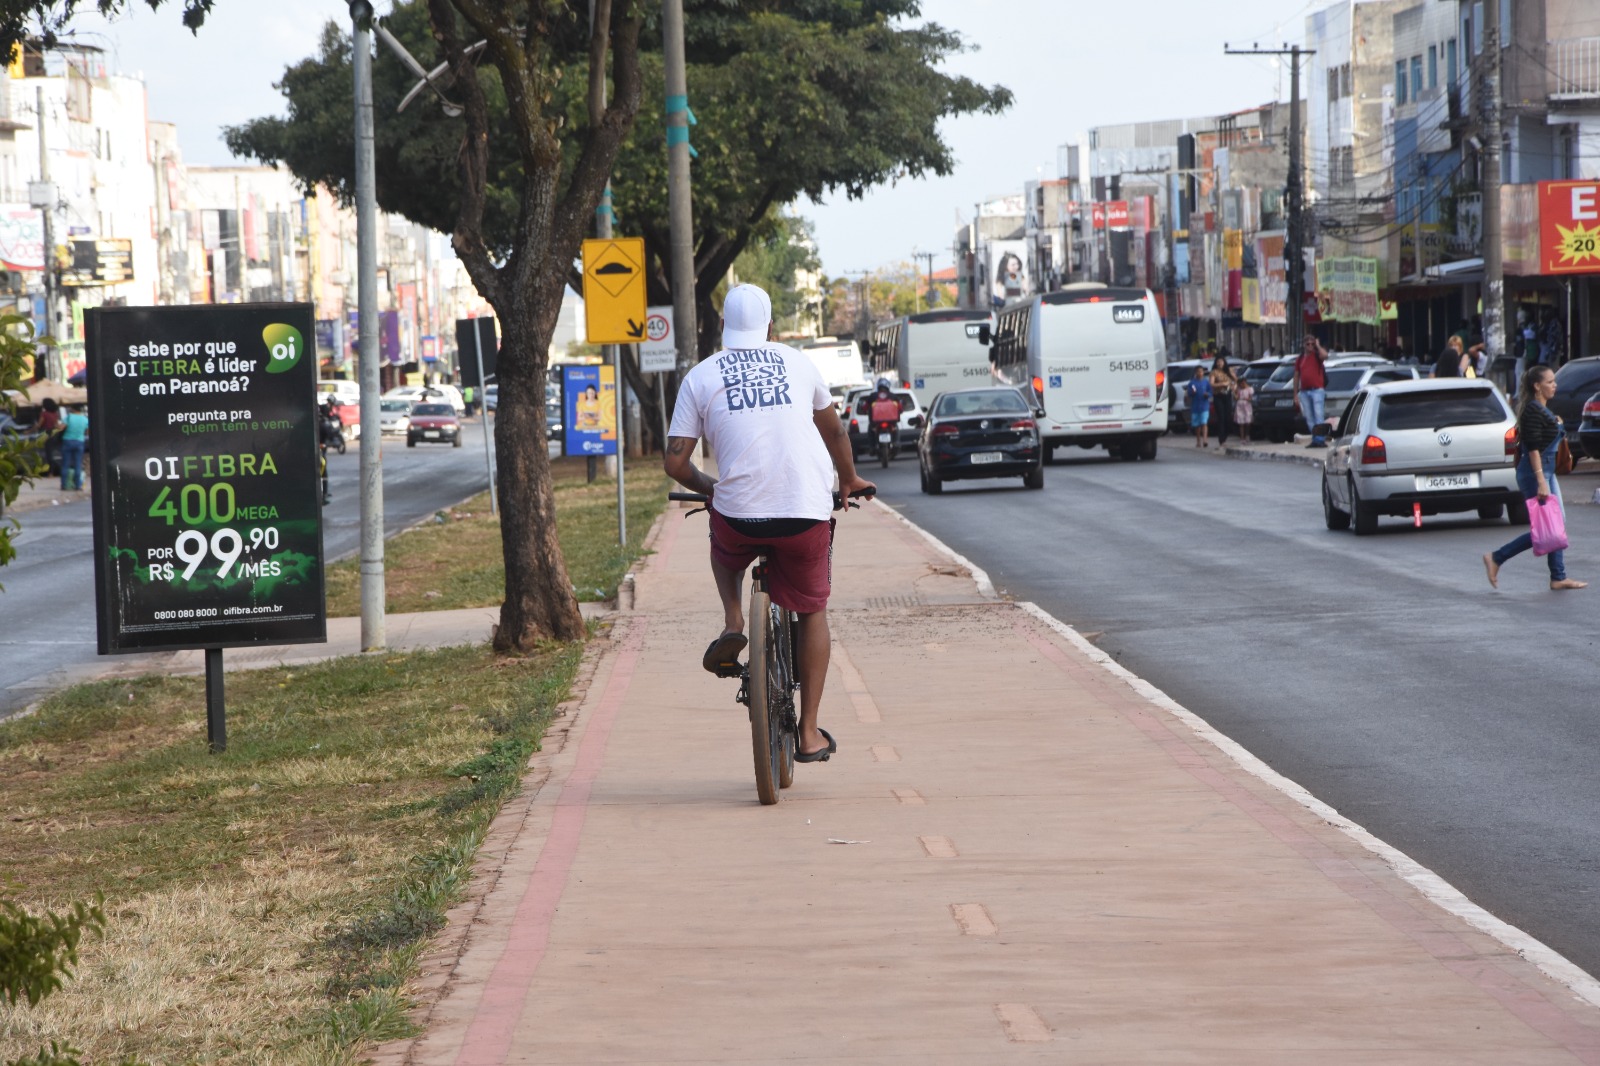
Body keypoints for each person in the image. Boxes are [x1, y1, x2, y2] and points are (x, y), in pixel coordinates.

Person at [664, 283, 875, 764]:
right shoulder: (799, 362)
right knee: (812, 609)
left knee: (725, 547)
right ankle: (808, 734)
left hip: (739, 516)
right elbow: (835, 430)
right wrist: (850, 479)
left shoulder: (700, 376)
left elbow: (675, 465)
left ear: (722, 328)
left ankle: (734, 619)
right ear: (771, 328)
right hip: (804, 513)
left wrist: (712, 488)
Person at [1484, 365, 1587, 592]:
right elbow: (1533, 450)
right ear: (1537, 386)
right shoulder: (1532, 410)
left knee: (1555, 523)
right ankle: (1497, 558)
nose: (1555, 385)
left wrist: (1556, 422)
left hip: (1545, 471)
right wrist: (1541, 481)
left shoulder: (1541, 409)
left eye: (1554, 381)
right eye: (1550, 382)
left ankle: (1558, 577)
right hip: (1535, 473)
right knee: (1546, 527)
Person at [1293, 335, 1329, 447]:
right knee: (1309, 418)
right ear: (1303, 344)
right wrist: (1295, 394)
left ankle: (1320, 440)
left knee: (1319, 415)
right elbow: (1296, 376)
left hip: (1317, 390)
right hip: (1304, 391)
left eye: (1312, 343)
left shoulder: (1317, 355)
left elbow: (1325, 355)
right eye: (1307, 344)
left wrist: (1317, 345)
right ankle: (1315, 438)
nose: (1310, 346)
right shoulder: (1300, 359)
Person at [1208, 354, 1237, 445]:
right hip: (1218, 395)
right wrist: (1222, 384)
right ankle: (1221, 439)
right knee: (1221, 417)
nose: (1219, 364)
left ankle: (1226, 435)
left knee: (1228, 417)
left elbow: (1236, 380)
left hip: (1227, 395)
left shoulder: (1228, 371)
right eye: (1218, 362)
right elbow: (1211, 384)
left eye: (1221, 362)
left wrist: (1234, 386)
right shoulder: (1214, 372)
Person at [59, 403, 88, 491]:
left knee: (65, 464)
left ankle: (64, 485)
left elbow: (61, 428)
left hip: (67, 440)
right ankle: (78, 485)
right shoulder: (85, 419)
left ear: (73, 409)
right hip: (79, 441)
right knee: (78, 464)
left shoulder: (69, 417)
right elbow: (87, 432)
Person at [1184, 365, 1212, 448]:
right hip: (1195, 407)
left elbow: (1210, 392)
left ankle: (1205, 440)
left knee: (1204, 422)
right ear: (1195, 373)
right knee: (1197, 425)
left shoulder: (1206, 382)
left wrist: (1208, 394)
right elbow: (1189, 393)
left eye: (1201, 371)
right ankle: (1198, 441)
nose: (1200, 373)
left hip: (1204, 406)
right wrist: (1192, 392)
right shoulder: (1192, 383)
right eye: (1198, 371)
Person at [1234, 372, 1255, 443]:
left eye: (1243, 383)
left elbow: (1251, 398)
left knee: (1248, 422)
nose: (1242, 385)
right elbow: (1236, 398)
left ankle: (1247, 435)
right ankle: (1242, 437)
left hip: (1247, 406)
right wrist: (1235, 392)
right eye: (1240, 384)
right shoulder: (1239, 390)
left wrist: (1248, 399)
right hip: (1240, 405)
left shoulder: (1250, 389)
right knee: (1241, 423)